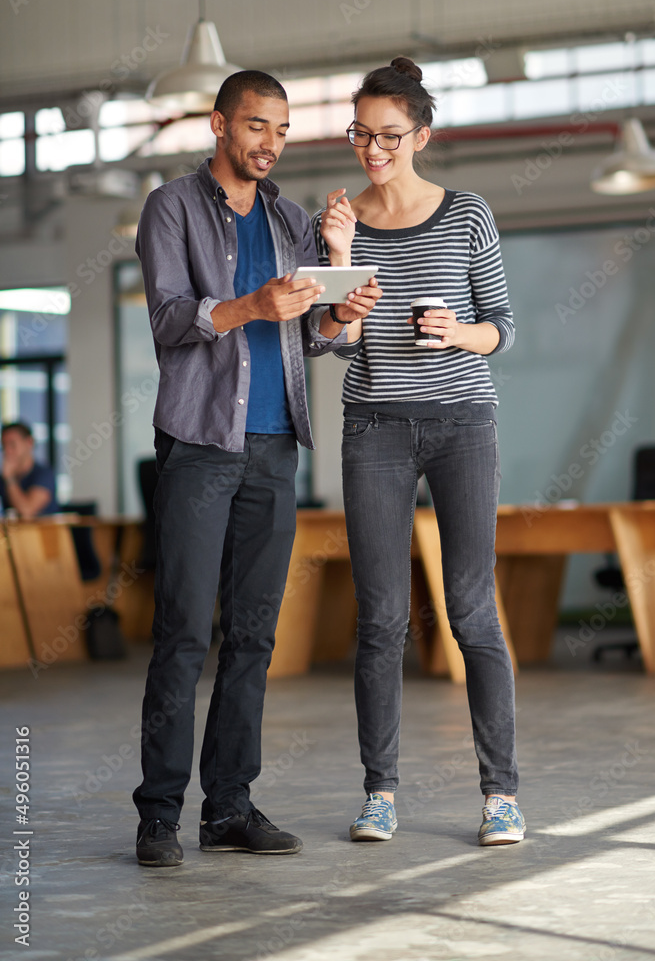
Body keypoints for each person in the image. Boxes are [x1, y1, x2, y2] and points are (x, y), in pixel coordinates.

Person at [132, 69, 380, 867]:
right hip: (201, 445)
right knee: (180, 635)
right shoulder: (171, 207)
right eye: (254, 126)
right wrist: (249, 306)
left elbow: (314, 339)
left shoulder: (293, 220)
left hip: (276, 449)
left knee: (253, 637)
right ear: (218, 124)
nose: (268, 143)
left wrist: (341, 304)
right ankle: (159, 816)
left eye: (279, 129)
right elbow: (172, 318)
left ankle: (228, 808)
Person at [315, 57, 524, 847]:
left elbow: (503, 325)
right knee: (381, 619)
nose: (372, 149)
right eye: (361, 134)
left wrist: (454, 331)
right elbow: (332, 344)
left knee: (472, 611)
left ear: (421, 135)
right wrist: (339, 260)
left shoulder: (468, 213)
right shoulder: (340, 219)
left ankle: (501, 795)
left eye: (388, 135)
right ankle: (380, 793)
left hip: (464, 421)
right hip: (374, 428)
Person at [1, 421, 59, 518]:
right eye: (4, 446)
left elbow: (26, 511)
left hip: (43, 532)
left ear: (29, 442)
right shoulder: (3, 477)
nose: (7, 451)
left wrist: (10, 479)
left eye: (12, 444)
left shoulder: (44, 474)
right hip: (13, 532)